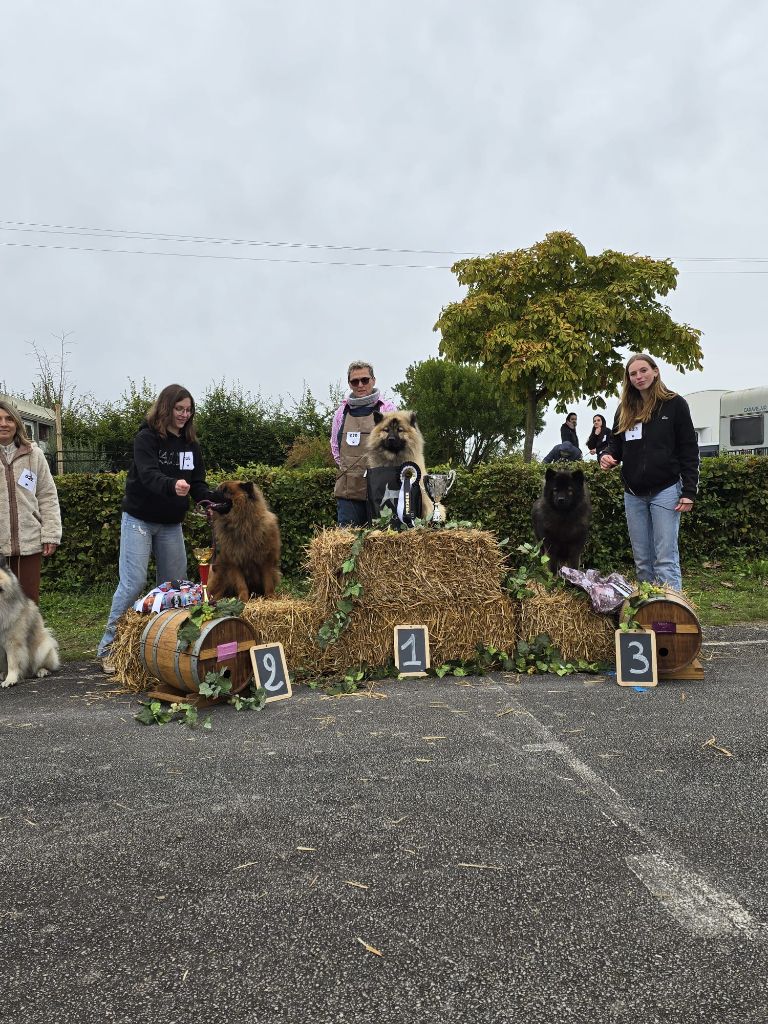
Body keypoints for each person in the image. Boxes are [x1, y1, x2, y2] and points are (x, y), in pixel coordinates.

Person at [97, 384, 215, 672]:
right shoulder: (146, 438)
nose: (184, 415)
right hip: (139, 519)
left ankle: (166, 648)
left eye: (188, 410)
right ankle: (109, 648)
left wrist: (209, 501)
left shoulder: (191, 445)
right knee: (133, 583)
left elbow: (197, 482)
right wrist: (171, 484)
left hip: (171, 524)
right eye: (179, 409)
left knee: (175, 587)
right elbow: (148, 475)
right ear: (166, 408)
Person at [600, 353, 698, 592]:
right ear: (628, 379)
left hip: (666, 490)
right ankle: (648, 614)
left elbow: (688, 449)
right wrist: (609, 455)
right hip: (633, 494)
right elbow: (617, 444)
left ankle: (672, 617)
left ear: (655, 371)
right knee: (643, 563)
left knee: (665, 561)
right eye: (633, 373)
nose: (639, 377)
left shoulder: (675, 404)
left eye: (643, 370)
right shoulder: (624, 409)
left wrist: (689, 491)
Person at [0, 399, 61, 603]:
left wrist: (51, 533)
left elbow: (47, 494)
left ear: (16, 423)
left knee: (28, 604)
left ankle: (27, 637)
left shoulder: (34, 455)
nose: (4, 423)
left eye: (9, 418)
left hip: (29, 542)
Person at [330, 361, 396, 526]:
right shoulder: (341, 413)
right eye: (355, 381)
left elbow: (398, 447)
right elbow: (335, 447)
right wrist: (352, 467)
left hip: (381, 490)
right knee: (347, 543)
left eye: (365, 380)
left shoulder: (387, 409)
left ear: (373, 380)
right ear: (349, 384)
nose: (360, 385)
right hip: (348, 491)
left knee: (381, 542)